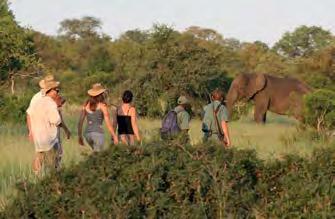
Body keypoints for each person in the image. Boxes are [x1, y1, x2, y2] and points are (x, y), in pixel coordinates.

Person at [26, 79, 62, 175]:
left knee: (39, 156)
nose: (57, 92)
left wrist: (31, 131)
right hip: (49, 137)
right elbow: (56, 121)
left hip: (38, 136)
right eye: (56, 90)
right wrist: (58, 107)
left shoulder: (38, 100)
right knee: (53, 162)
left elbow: (29, 113)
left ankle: (36, 176)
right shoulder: (50, 103)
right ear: (51, 90)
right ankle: (52, 182)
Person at [27, 75, 71, 142]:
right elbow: (29, 114)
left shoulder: (40, 97)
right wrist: (31, 131)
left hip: (47, 132)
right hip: (45, 132)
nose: (56, 90)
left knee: (43, 151)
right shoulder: (38, 98)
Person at [78, 83, 118, 151]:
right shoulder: (102, 106)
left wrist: (80, 136)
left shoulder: (85, 106)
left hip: (87, 134)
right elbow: (108, 123)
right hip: (98, 133)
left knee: (95, 154)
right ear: (100, 94)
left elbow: (80, 122)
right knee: (99, 157)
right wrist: (114, 136)